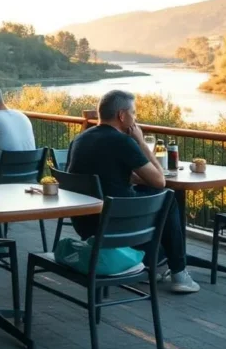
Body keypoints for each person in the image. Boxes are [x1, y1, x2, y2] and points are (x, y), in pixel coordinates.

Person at [68, 90, 200, 293]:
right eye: (134, 113)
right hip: (117, 225)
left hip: (86, 223)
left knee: (147, 192)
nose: (136, 118)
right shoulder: (123, 142)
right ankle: (179, 273)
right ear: (122, 115)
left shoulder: (81, 139)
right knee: (168, 199)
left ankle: (153, 262)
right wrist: (140, 141)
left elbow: (105, 176)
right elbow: (159, 181)